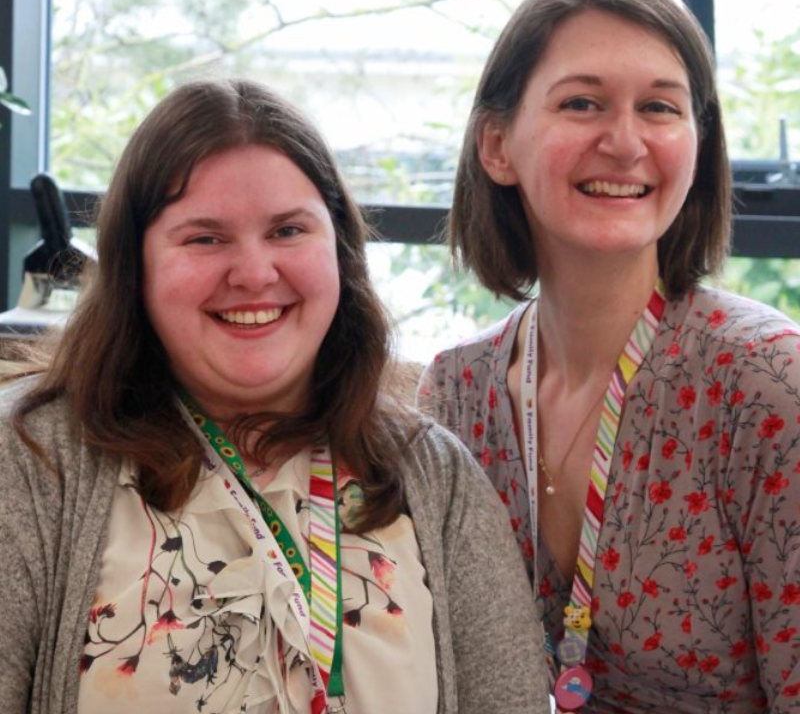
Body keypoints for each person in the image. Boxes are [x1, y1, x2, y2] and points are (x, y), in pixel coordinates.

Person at [0, 78, 550, 714]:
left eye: (288, 231)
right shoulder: (30, 463)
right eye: (204, 238)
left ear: (340, 253)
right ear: (135, 266)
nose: (255, 273)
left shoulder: (434, 475)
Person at [418, 0, 800, 713]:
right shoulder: (455, 395)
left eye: (660, 107)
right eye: (582, 102)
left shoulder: (765, 385)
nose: (625, 142)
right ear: (497, 145)